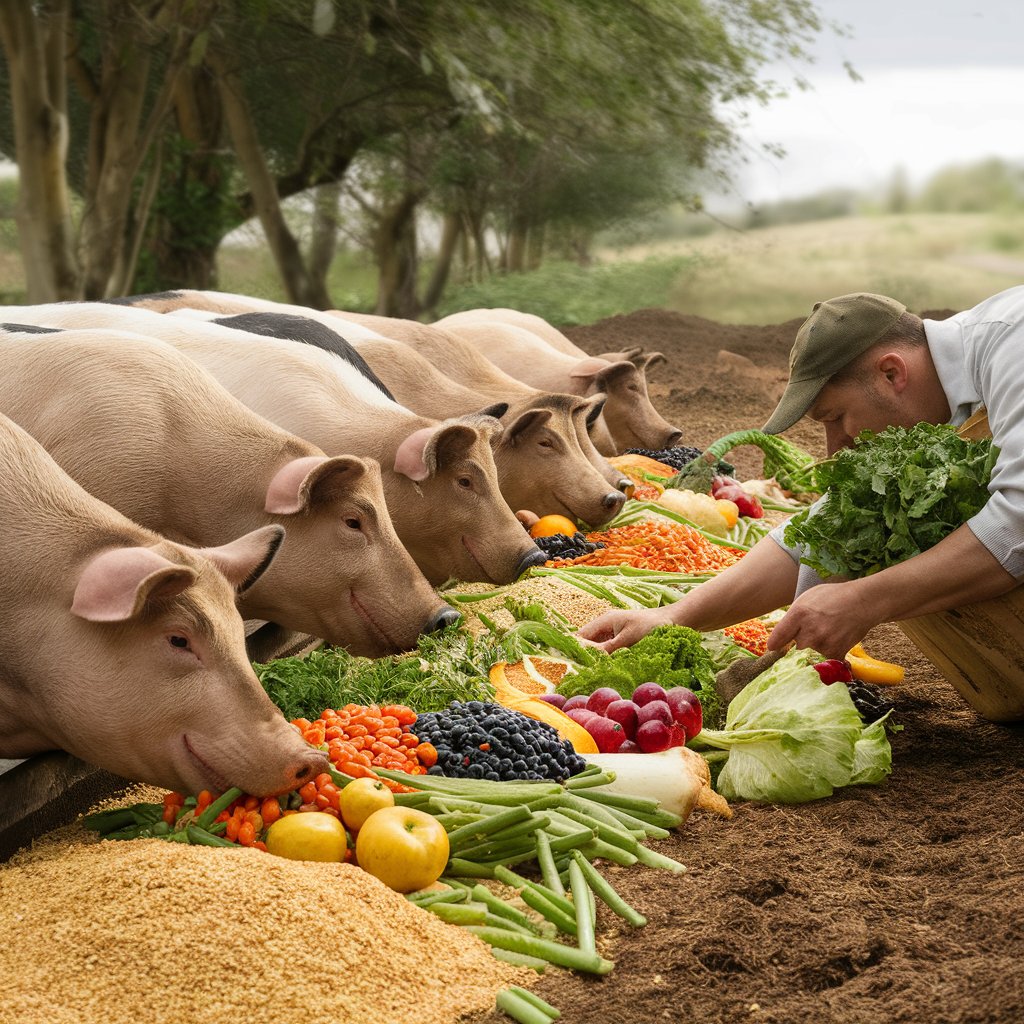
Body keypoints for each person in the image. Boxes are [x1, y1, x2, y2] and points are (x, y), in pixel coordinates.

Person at [578, 287, 1024, 659]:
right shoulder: (936, 390)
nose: (834, 447)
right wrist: (672, 616)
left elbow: (1016, 523)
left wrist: (864, 599)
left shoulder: (1014, 345)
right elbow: (825, 532)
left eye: (835, 416)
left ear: (891, 373)